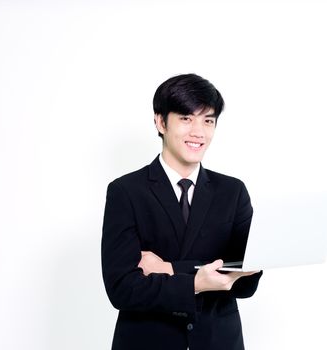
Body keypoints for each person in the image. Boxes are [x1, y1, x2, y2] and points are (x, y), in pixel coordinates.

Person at [101, 73, 262, 350]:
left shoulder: (232, 192)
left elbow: (246, 280)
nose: (199, 132)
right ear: (161, 122)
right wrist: (196, 283)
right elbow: (122, 288)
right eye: (186, 118)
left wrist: (168, 268)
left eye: (208, 120)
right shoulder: (125, 192)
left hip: (217, 342)